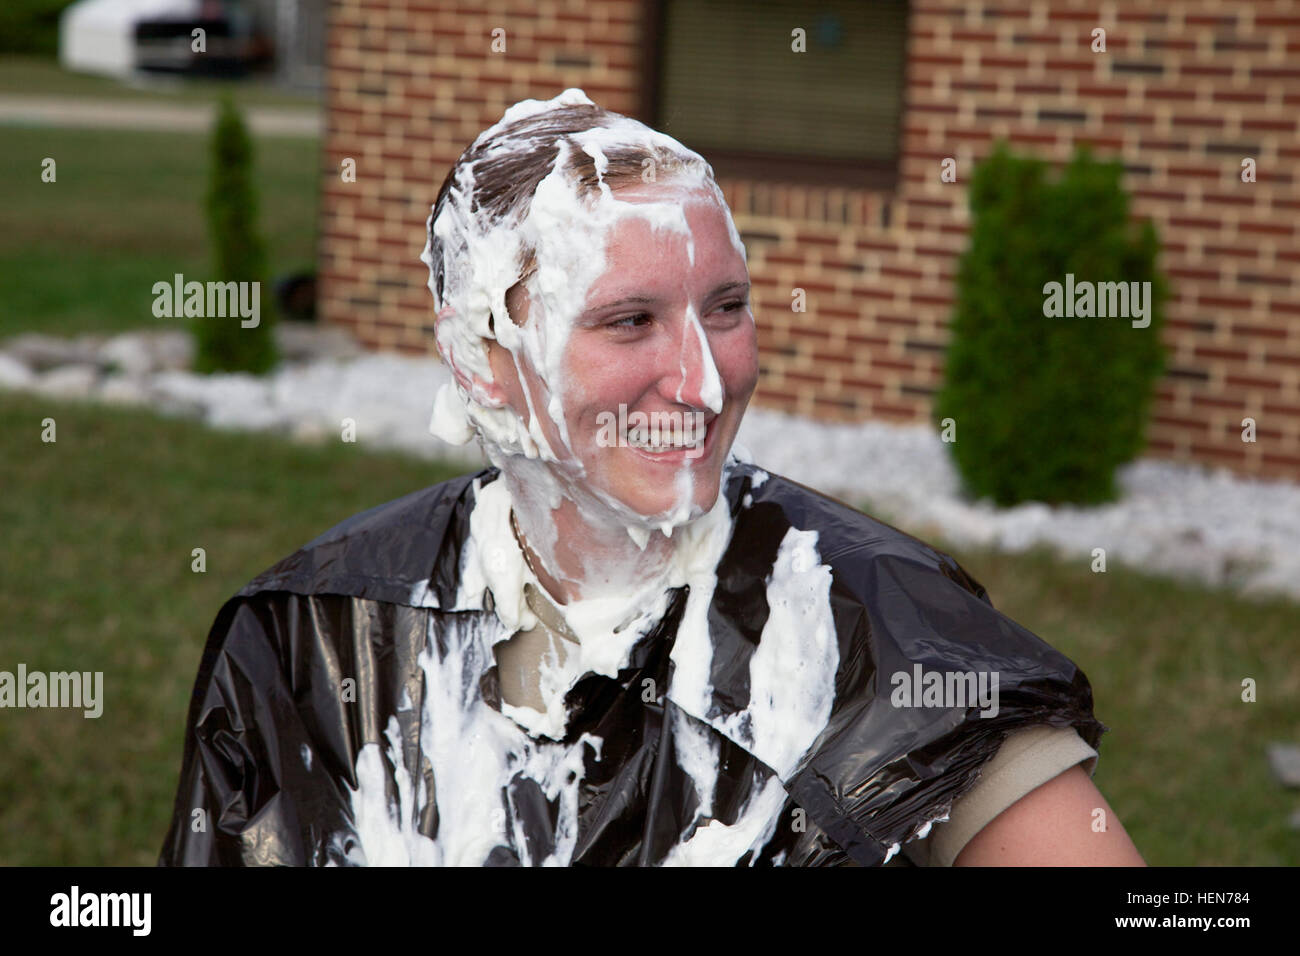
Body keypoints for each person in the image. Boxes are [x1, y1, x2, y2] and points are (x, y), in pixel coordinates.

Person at [159, 89, 1144, 867]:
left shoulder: (881, 631)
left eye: (725, 306)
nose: (707, 380)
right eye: (630, 320)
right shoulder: (315, 631)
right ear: (480, 358)